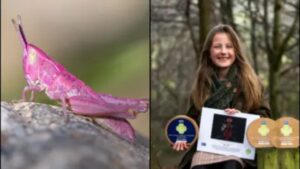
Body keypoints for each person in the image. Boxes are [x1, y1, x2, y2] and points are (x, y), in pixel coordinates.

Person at [172, 24, 271, 169]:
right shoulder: (201, 85)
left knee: (230, 166)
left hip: (240, 151)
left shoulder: (252, 83)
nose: (223, 51)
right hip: (206, 149)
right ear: (209, 52)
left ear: (236, 50)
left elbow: (265, 119)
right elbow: (191, 122)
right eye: (217, 46)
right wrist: (182, 138)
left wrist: (242, 118)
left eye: (229, 46)